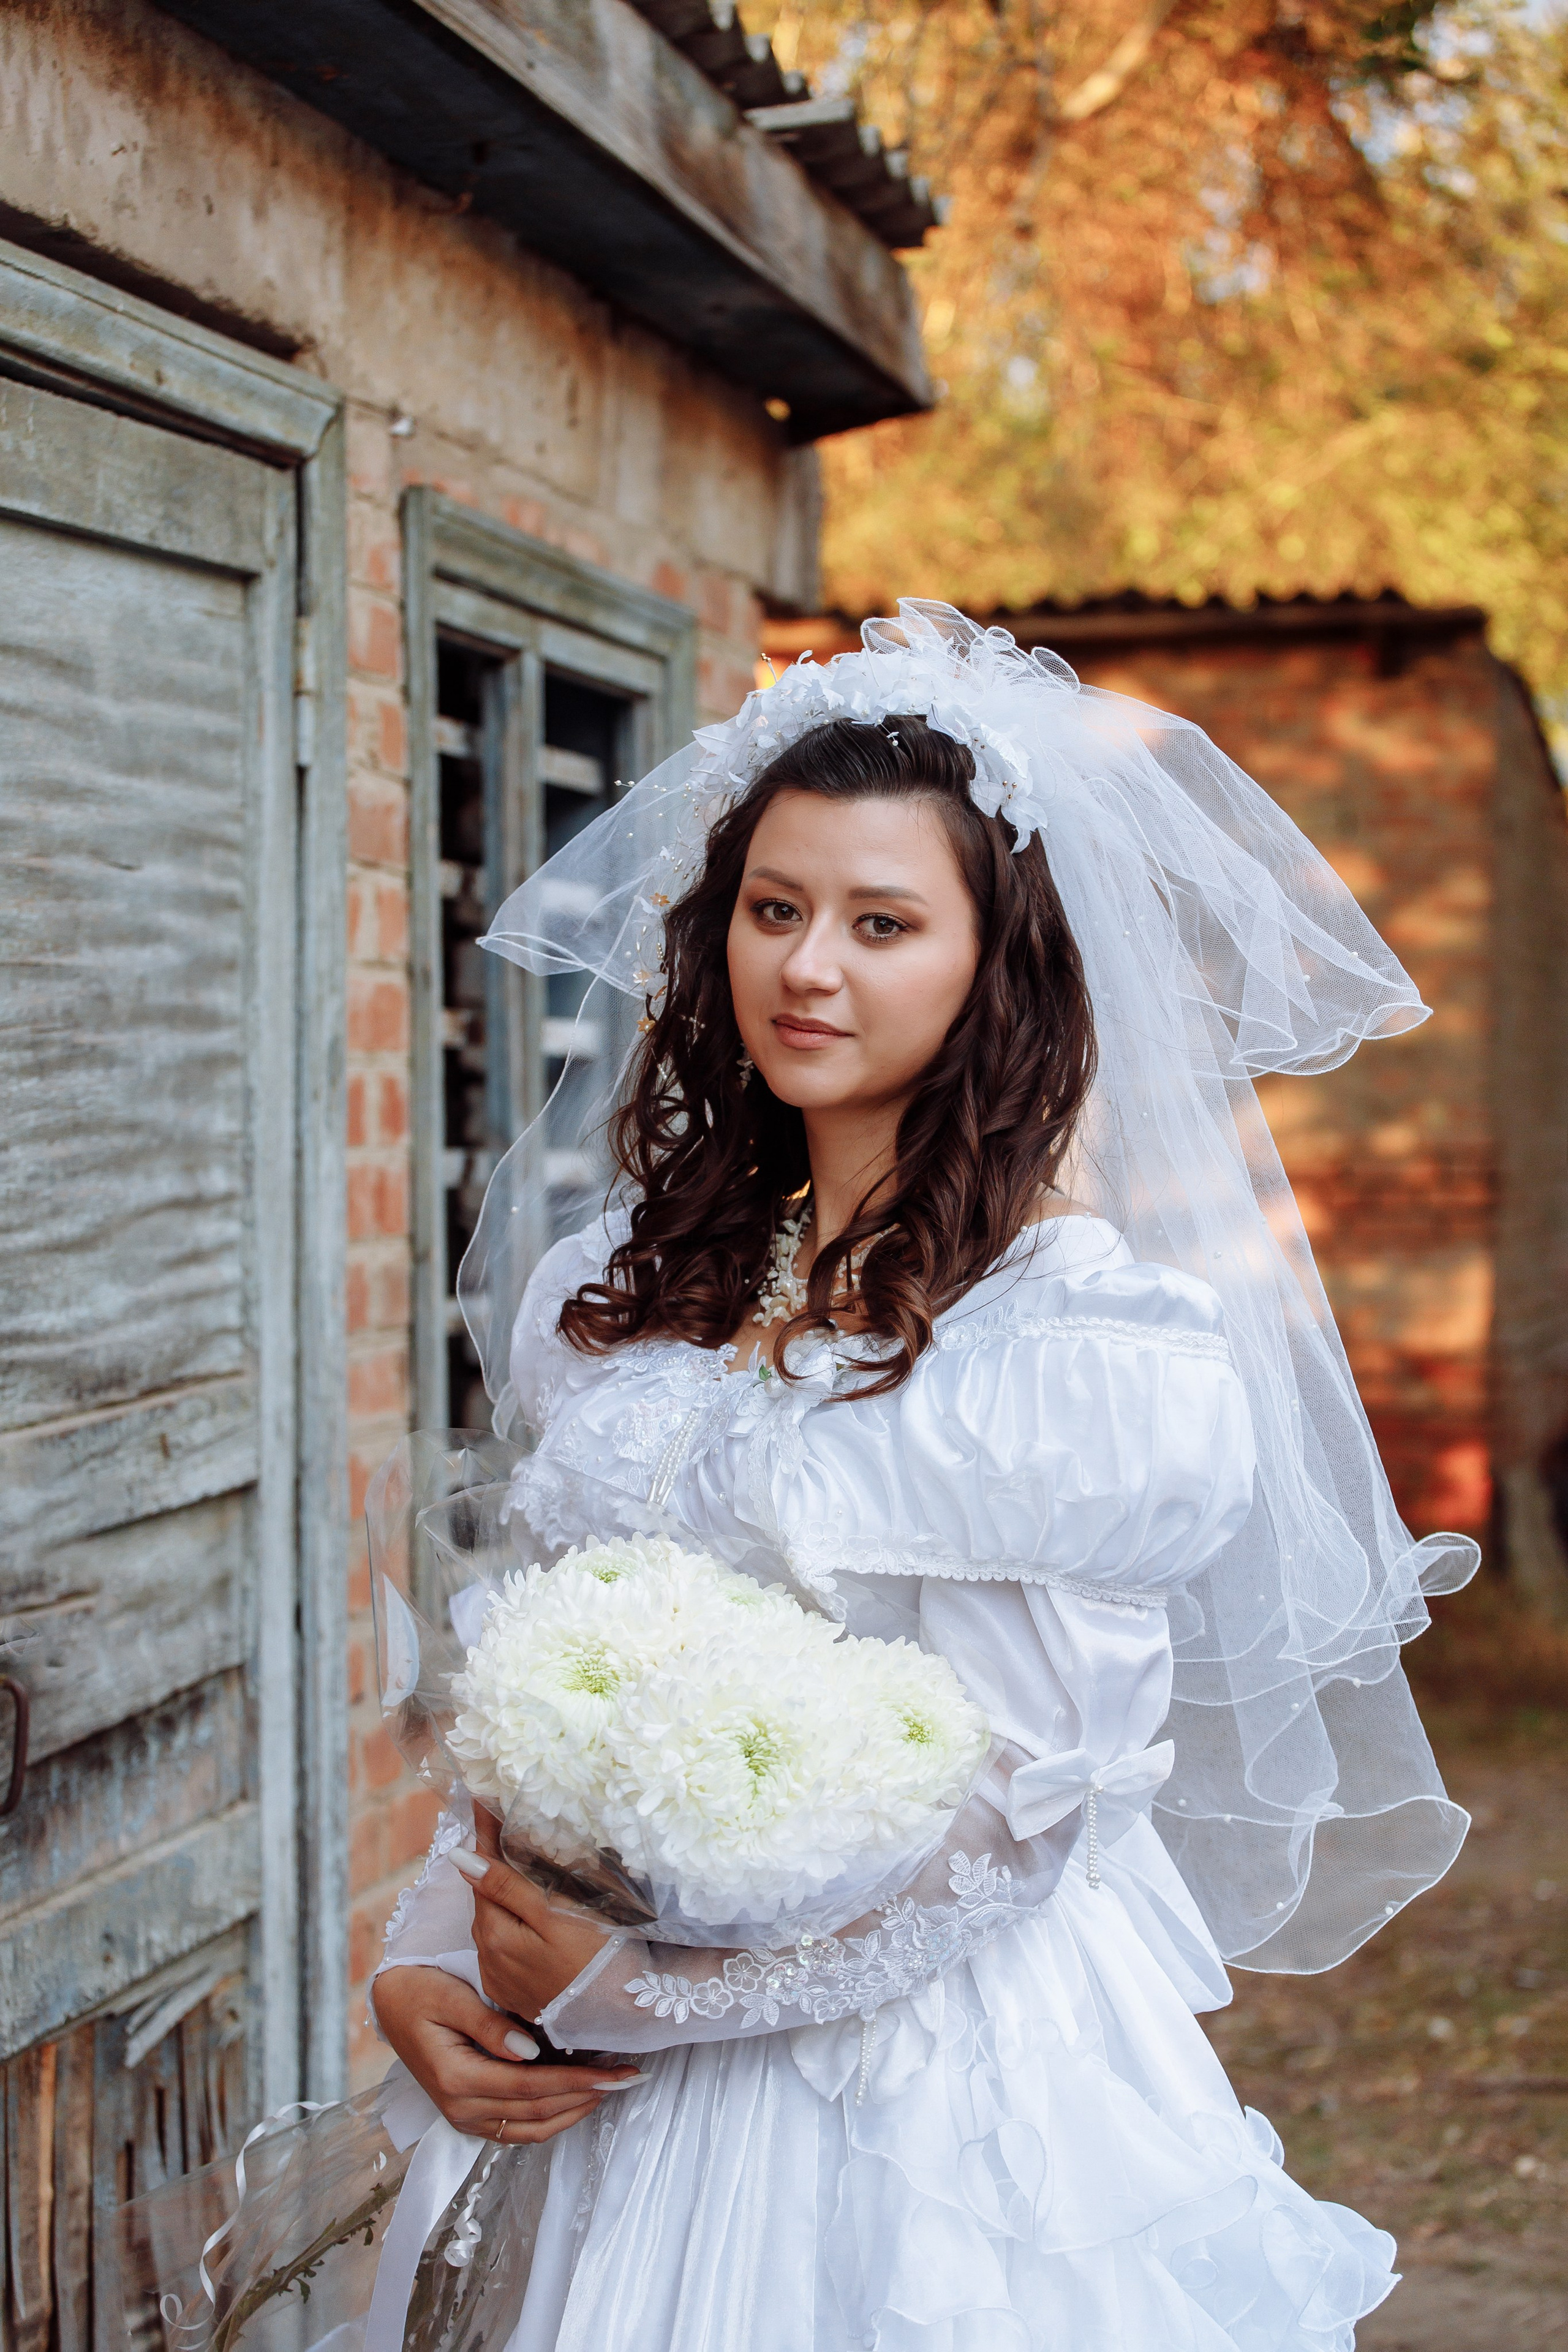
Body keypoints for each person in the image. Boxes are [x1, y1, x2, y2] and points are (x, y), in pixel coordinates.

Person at [372, 603, 1476, 2350]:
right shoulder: (619, 1291)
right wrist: (433, 1952)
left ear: (993, 966)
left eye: (884, 923)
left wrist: (641, 1996)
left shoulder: (1080, 1355)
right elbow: (547, 1670)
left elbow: (1018, 1822)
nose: (811, 967)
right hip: (583, 2084)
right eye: (776, 908)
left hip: (922, 2115)